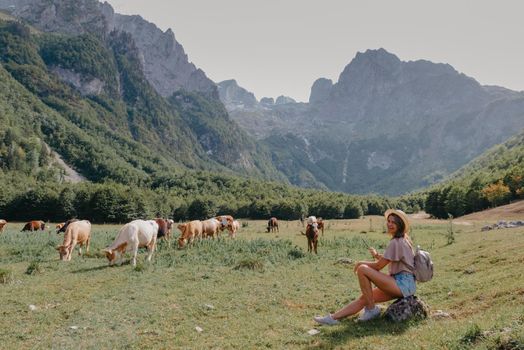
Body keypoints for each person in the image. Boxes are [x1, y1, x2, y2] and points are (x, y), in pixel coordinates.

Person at [314, 209, 416, 325]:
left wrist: (359, 263)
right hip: (405, 284)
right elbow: (391, 260)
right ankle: (333, 318)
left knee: (362, 269)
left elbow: (378, 266)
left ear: (400, 224)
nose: (389, 224)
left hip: (402, 283)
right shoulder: (403, 239)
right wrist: (377, 255)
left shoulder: (396, 242)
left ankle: (371, 310)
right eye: (388, 221)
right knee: (366, 298)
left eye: (394, 222)